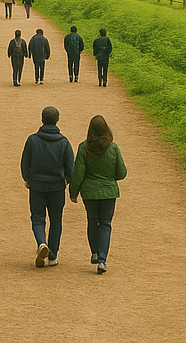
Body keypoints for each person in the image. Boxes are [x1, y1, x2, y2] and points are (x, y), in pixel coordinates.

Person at [69, 115, 127, 274]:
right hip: (109, 191)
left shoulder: (83, 147)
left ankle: (94, 252)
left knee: (92, 221)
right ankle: (102, 259)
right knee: (106, 224)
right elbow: (121, 173)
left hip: (89, 192)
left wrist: (73, 192)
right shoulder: (113, 148)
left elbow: (78, 173)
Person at [20, 106, 74, 268]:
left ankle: (42, 243)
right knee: (56, 219)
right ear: (57, 120)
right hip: (57, 187)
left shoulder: (32, 140)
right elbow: (70, 167)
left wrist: (28, 178)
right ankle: (53, 255)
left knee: (37, 217)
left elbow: (25, 163)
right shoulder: (64, 142)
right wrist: (66, 182)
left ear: (42, 119)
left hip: (37, 185)